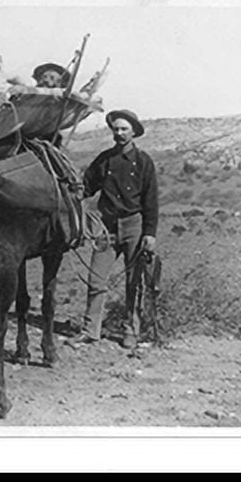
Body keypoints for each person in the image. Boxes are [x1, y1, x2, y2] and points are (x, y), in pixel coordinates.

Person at [66, 109, 158, 350]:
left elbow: (151, 201)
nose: (119, 133)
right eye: (116, 129)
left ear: (133, 132)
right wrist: (71, 193)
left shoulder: (143, 161)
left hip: (134, 225)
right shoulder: (104, 159)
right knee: (96, 279)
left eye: (124, 129)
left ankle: (131, 331)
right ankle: (90, 331)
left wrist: (150, 233)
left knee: (133, 282)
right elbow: (87, 187)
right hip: (106, 227)